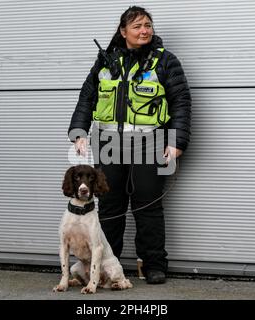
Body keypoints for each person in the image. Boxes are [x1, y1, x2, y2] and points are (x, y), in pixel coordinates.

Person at [68, 6, 191, 284]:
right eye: (137, 26)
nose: (144, 30)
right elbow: (87, 97)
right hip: (109, 143)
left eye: (148, 25)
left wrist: (177, 141)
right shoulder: (105, 61)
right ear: (123, 32)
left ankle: (154, 265)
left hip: (152, 143)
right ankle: (103, 268)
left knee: (148, 205)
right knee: (110, 204)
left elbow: (181, 101)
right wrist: (78, 131)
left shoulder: (166, 62)